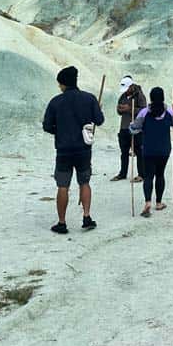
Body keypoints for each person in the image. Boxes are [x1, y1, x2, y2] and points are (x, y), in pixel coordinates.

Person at [42, 66, 105, 234]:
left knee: (63, 186)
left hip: (63, 150)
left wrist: (60, 130)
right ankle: (86, 217)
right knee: (84, 182)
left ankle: (62, 223)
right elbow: (99, 120)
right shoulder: (89, 98)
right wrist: (97, 108)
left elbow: (47, 126)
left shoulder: (55, 102)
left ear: (63, 84)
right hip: (84, 149)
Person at [130, 87, 173, 218]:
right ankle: (158, 203)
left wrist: (131, 125)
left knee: (148, 176)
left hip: (148, 149)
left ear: (151, 97)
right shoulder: (169, 112)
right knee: (160, 174)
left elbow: (134, 129)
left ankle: (148, 202)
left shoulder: (144, 112)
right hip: (164, 150)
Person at [112, 76, 146, 182]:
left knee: (139, 152)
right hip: (124, 127)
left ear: (131, 86)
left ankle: (141, 174)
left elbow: (144, 111)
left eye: (127, 88)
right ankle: (122, 174)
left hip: (136, 128)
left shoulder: (140, 96)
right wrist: (120, 109)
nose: (125, 91)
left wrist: (130, 109)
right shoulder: (123, 96)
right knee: (124, 152)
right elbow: (119, 111)